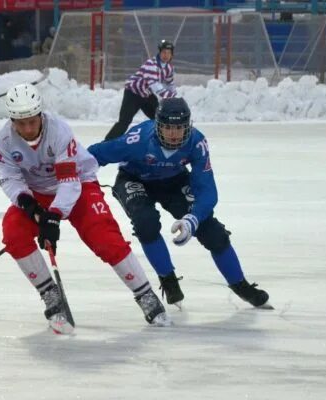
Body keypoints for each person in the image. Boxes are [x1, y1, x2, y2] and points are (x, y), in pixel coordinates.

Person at [0, 83, 171, 334]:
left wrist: (53, 217)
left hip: (79, 185)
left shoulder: (59, 131)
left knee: (104, 238)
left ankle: (145, 295)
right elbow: (9, 178)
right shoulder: (3, 140)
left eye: (32, 121)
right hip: (37, 192)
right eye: (20, 123)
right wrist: (30, 206)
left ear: (40, 115)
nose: (27, 129)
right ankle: (50, 295)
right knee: (13, 232)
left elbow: (69, 181)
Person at [87, 97, 271, 309]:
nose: (174, 134)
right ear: (157, 127)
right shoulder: (137, 140)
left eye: (180, 128)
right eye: (167, 128)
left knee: (212, 232)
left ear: (189, 127)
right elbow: (95, 154)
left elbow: (207, 189)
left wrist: (193, 218)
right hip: (134, 179)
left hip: (173, 181)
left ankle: (240, 285)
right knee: (146, 223)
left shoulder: (197, 142)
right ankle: (168, 279)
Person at [104, 40, 177, 141]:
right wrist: (170, 96)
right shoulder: (151, 64)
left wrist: (174, 96)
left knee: (160, 119)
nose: (166, 55)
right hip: (133, 93)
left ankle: (164, 142)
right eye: (164, 52)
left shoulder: (169, 68)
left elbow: (170, 84)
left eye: (169, 53)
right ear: (159, 53)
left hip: (147, 95)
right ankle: (106, 144)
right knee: (124, 122)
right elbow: (155, 86)